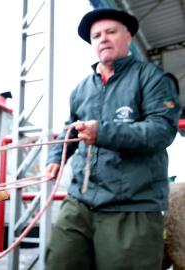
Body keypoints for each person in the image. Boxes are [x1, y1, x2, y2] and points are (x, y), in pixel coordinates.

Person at [45, 8, 181, 270]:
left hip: (133, 206)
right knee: (59, 263)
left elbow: (162, 130)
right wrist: (56, 158)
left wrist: (103, 133)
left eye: (111, 32)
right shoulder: (81, 88)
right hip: (80, 203)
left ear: (128, 37)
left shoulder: (153, 79)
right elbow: (70, 128)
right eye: (96, 35)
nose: (103, 38)